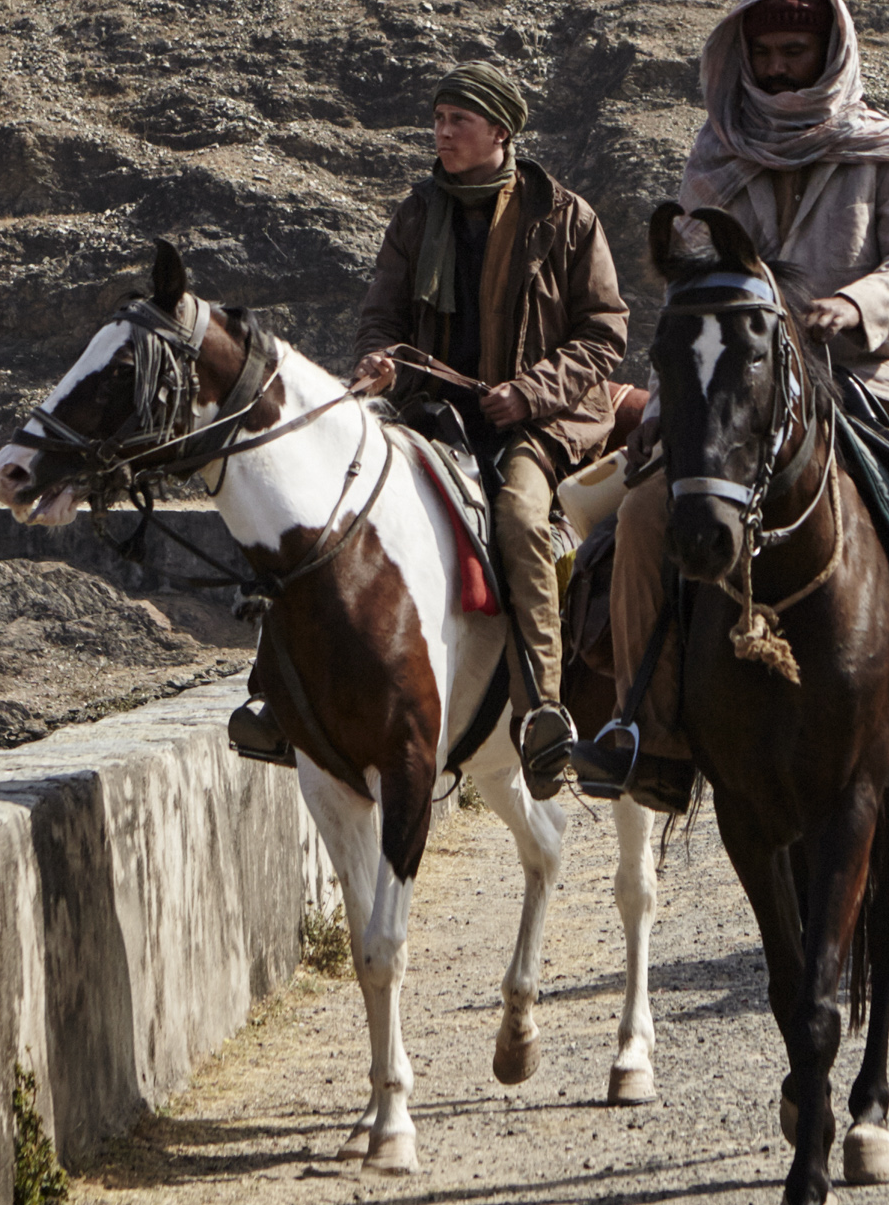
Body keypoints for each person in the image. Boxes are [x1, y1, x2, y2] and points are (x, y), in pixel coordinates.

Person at [582, 0, 889, 798]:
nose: (776, 71)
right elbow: (694, 300)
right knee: (638, 519)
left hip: (870, 372)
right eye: (764, 56)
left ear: (828, 53)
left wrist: (853, 305)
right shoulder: (715, 157)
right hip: (742, 386)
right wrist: (670, 406)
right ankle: (648, 731)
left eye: (792, 54)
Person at [226, 65, 626, 780]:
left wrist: (528, 393)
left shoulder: (565, 217)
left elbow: (603, 334)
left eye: (457, 121)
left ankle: (542, 707)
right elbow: (382, 312)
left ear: (500, 131)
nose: (441, 134)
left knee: (520, 515)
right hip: (431, 413)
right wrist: (380, 361)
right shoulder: (417, 213)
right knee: (332, 507)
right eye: (438, 119)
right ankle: (273, 700)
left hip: (534, 424)